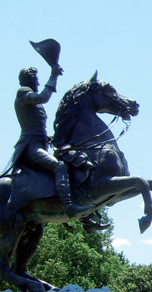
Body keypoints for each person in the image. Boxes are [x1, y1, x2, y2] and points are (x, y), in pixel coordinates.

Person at [11, 65, 89, 220]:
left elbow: (37, 126)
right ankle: (69, 206)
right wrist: (54, 75)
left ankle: (85, 216)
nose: (38, 83)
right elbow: (44, 97)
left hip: (40, 144)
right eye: (36, 79)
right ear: (29, 80)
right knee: (59, 166)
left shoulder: (31, 100)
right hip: (30, 148)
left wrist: (50, 138)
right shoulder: (23, 92)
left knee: (69, 162)